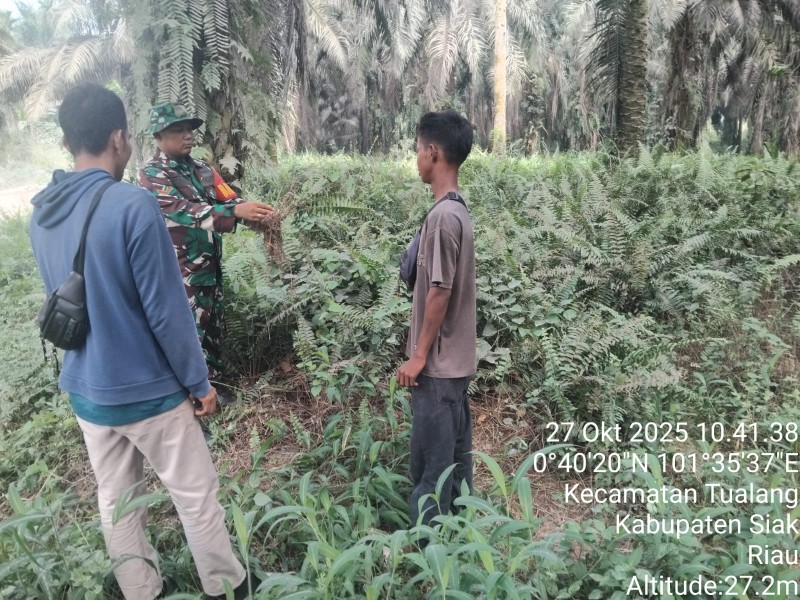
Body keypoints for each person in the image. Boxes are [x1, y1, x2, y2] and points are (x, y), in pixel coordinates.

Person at [29, 84, 253, 600]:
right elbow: (167, 310)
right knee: (196, 496)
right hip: (148, 391)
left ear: (68, 142)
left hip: (87, 391)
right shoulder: (134, 203)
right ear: (120, 139)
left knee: (116, 500)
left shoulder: (42, 213)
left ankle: (141, 589)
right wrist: (199, 383)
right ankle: (228, 587)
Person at [137, 102, 273, 391]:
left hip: (210, 266)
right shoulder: (152, 174)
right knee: (189, 334)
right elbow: (185, 211)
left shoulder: (203, 170)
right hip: (181, 272)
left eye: (189, 129)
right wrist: (236, 213)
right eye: (178, 130)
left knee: (214, 329)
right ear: (158, 136)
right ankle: (194, 396)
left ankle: (217, 388)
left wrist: (258, 216)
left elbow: (228, 200)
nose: (188, 135)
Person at [396, 109, 477, 528]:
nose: (416, 160)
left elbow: (440, 293)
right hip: (455, 368)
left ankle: (428, 559)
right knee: (457, 466)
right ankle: (463, 538)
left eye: (417, 151)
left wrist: (418, 356)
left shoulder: (444, 218)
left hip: (439, 371)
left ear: (432, 152)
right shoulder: (456, 209)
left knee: (430, 472)